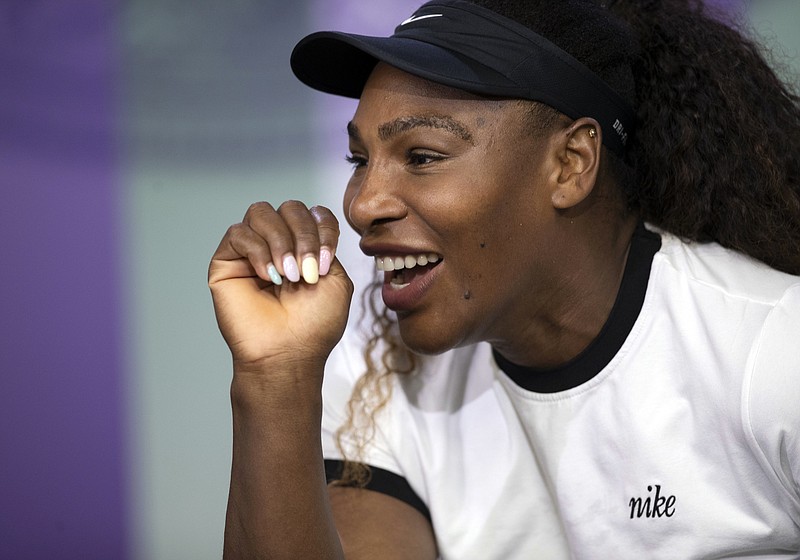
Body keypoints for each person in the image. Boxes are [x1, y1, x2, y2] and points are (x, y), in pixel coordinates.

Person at [208, 0, 800, 558]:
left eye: (422, 156)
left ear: (570, 164)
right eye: (360, 160)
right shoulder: (378, 377)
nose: (361, 205)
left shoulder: (774, 353)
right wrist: (275, 378)